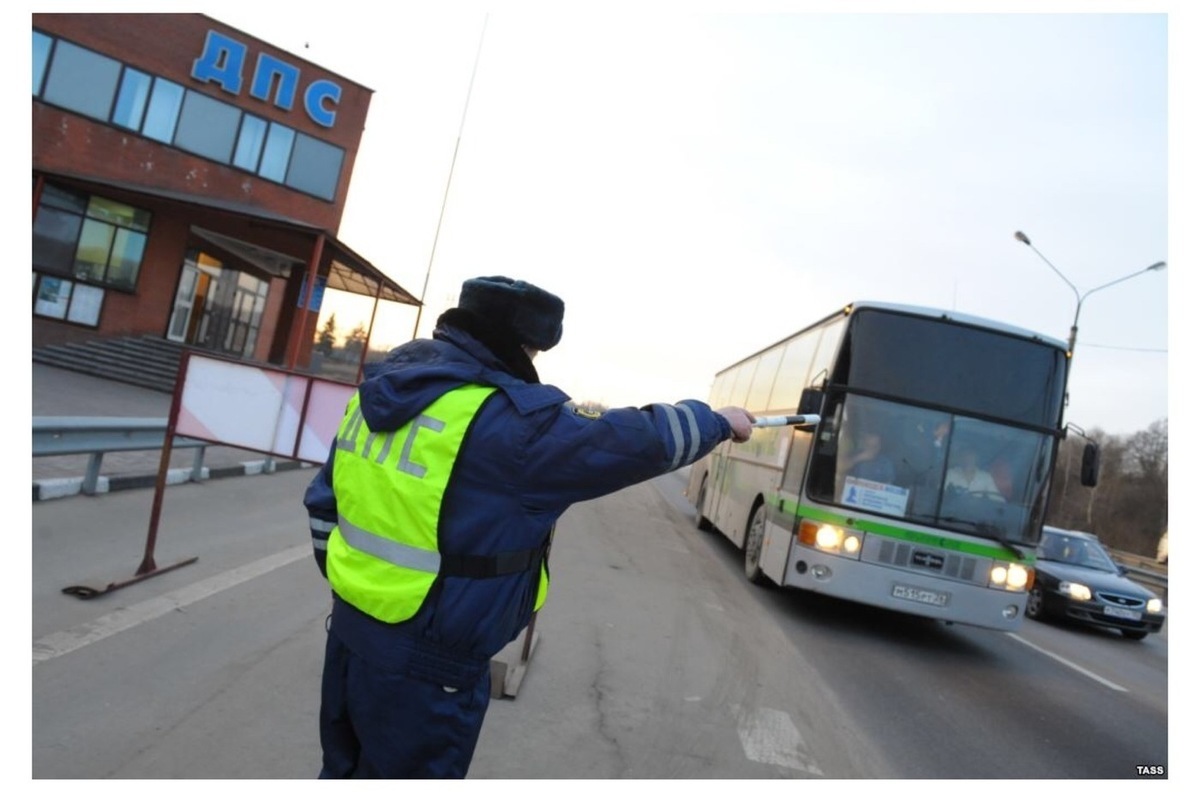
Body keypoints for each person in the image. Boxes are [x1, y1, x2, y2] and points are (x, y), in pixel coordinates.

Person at [302, 275, 755, 779]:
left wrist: (357, 587)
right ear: (520, 346)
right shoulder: (510, 424)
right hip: (428, 667)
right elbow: (631, 442)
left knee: (341, 773)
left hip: (348, 636)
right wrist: (717, 420)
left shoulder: (376, 394)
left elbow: (324, 504)